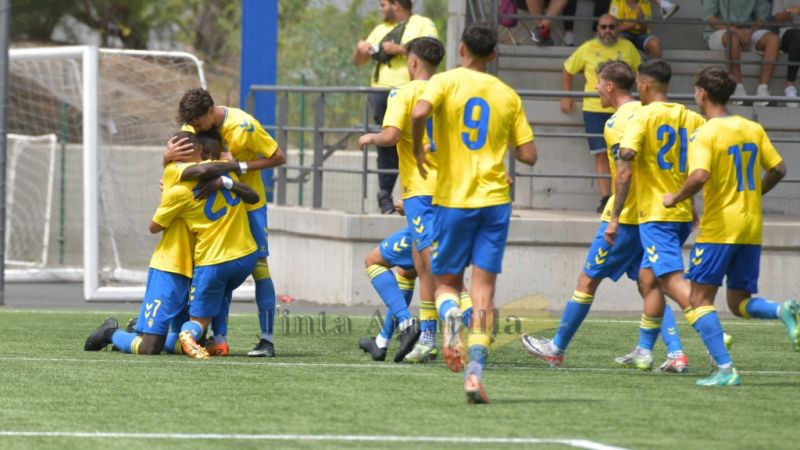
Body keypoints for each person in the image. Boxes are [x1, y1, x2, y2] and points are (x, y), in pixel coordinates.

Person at [520, 61, 688, 373]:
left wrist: (614, 218)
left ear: (610, 86)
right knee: (649, 285)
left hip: (626, 218)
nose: (595, 88)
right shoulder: (649, 112)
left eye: (598, 82)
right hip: (652, 217)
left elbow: (625, 173)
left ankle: (556, 348)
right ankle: (669, 352)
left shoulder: (616, 123)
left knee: (588, 280)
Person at [411, 23, 538, 404]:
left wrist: (418, 148)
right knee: (483, 292)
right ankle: (474, 374)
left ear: (461, 49)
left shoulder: (445, 81)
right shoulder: (507, 95)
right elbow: (529, 155)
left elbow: (419, 112)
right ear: (493, 55)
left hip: (453, 200)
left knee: (447, 285)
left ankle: (451, 319)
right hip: (495, 201)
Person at [662, 65, 799, 386]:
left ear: (702, 93)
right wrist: (754, 193)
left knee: (698, 300)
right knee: (738, 302)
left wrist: (676, 198)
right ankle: (782, 310)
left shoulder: (705, 133)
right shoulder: (752, 128)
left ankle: (725, 370)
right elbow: (779, 169)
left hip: (720, 227)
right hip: (750, 227)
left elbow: (699, 175)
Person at [84, 131, 252, 356]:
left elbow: (242, 192)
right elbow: (154, 226)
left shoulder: (213, 177)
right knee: (150, 347)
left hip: (198, 265)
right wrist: (233, 166)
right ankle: (111, 334)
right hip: (170, 266)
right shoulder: (179, 180)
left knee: (193, 336)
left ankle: (138, 332)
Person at [606, 60, 707, 368]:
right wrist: (692, 204)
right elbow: (697, 167)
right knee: (648, 281)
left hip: (655, 213)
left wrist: (625, 151)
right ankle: (652, 351)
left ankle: (713, 331)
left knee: (670, 281)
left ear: (645, 84)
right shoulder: (692, 118)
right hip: (681, 212)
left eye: (638, 82)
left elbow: (627, 155)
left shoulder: (642, 115)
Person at [173, 89, 286, 358]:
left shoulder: (244, 126)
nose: (195, 130)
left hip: (248, 204)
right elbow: (179, 157)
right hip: (211, 205)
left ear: (210, 111)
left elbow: (279, 157)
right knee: (216, 269)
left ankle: (267, 340)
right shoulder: (191, 125)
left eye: (198, 124)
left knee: (260, 268)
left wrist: (240, 166)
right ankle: (218, 339)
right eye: (192, 125)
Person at [358, 36, 445, 364]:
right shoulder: (448, 91)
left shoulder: (403, 92)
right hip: (447, 194)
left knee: (425, 271)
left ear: (412, 61)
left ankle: (425, 331)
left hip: (423, 195)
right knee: (410, 270)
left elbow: (392, 135)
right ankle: (383, 341)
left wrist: (371, 136)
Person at [150, 133, 259, 360]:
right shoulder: (225, 173)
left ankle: (189, 335)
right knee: (221, 296)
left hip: (214, 259)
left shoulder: (181, 187)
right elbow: (253, 196)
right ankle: (220, 342)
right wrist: (231, 172)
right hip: (246, 255)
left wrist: (167, 176)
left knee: (198, 317)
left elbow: (154, 227)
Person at [352, 0, 438, 214]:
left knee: (413, 139)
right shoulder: (380, 29)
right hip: (382, 93)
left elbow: (433, 52)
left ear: (396, 4)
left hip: (412, 92)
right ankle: (386, 194)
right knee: (387, 145)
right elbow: (358, 61)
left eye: (383, 4)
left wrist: (397, 49)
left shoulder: (422, 23)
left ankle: (416, 192)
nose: (380, 9)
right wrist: (361, 49)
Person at [562, 14, 642, 213]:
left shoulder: (628, 48)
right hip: (594, 109)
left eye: (612, 27)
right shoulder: (587, 47)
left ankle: (621, 197)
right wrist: (567, 96)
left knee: (624, 154)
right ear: (597, 28)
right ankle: (606, 198)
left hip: (623, 109)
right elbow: (568, 68)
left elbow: (641, 71)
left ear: (618, 28)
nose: (607, 31)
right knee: (601, 155)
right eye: (603, 27)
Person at [703, 0, 780, 106]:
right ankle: (737, 90)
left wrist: (750, 30)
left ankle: (762, 91)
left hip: (747, 32)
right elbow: (710, 18)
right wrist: (737, 31)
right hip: (719, 32)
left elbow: (761, 17)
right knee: (733, 38)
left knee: (773, 39)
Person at [772, 0, 800, 105]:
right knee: (798, 36)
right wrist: (788, 11)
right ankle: (790, 86)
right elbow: (776, 20)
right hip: (787, 34)